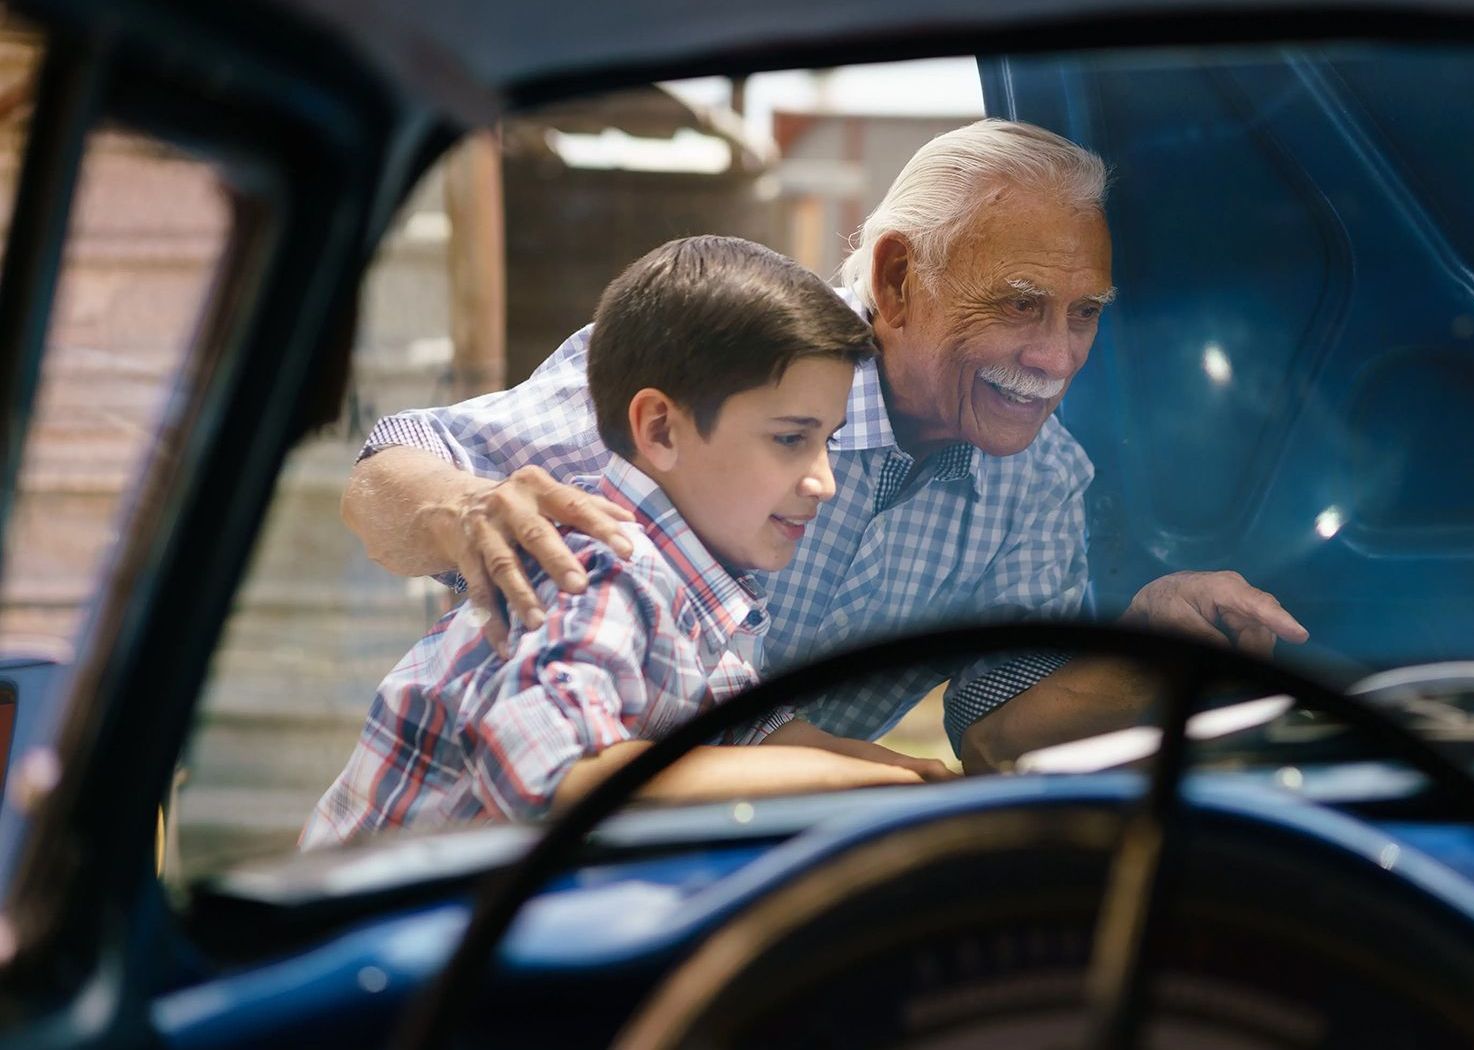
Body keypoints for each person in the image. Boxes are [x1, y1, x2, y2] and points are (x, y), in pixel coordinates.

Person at [342, 119, 1308, 776]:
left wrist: (1146, 653)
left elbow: (996, 727)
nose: (1057, 358)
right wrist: (466, 512)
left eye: (1083, 315)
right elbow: (390, 468)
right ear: (895, 281)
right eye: (1021, 305)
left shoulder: (1045, 482)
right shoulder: (722, 356)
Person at [302, 236, 952, 848]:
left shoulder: (706, 599)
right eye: (791, 439)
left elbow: (755, 739)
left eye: (829, 441)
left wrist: (917, 777)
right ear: (660, 430)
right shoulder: (605, 570)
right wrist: (851, 783)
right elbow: (556, 773)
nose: (825, 482)